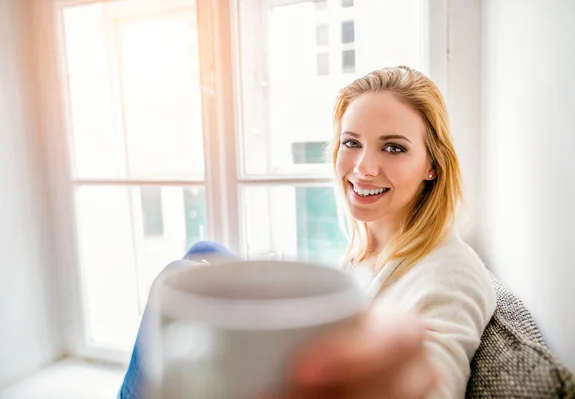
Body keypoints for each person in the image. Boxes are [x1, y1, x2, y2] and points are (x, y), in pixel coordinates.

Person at [118, 65, 496, 398]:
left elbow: (433, 375)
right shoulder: (365, 249)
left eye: (393, 148)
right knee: (205, 250)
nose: (363, 167)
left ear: (432, 165)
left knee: (177, 275)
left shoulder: (454, 274)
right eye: (352, 143)